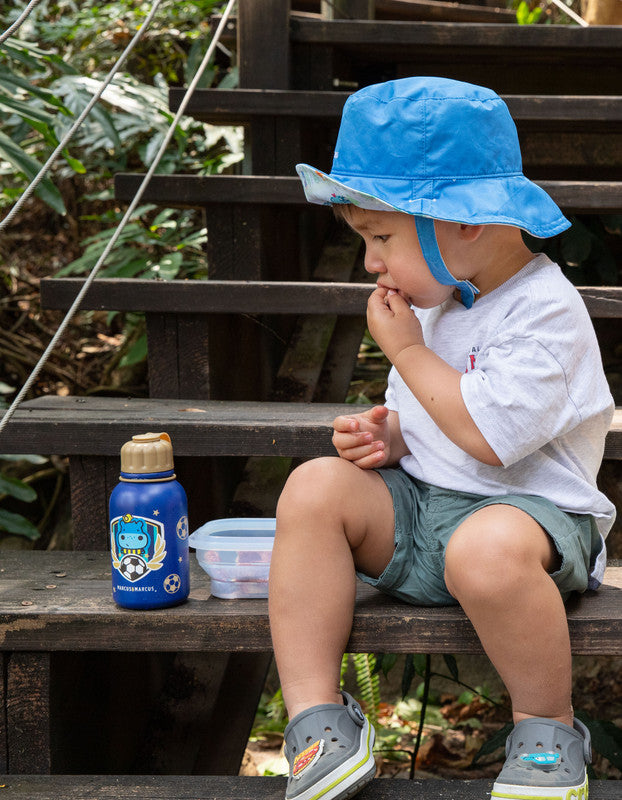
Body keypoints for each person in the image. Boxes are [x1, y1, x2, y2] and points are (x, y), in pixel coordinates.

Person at [268, 76, 614, 800]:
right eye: (365, 241)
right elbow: (430, 418)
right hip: (427, 511)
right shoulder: (438, 299)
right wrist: (385, 439)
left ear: (464, 221)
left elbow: (489, 437)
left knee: (483, 549)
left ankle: (547, 730)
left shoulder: (545, 311)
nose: (371, 263)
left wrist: (405, 352)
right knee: (312, 486)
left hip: (532, 522)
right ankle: (316, 719)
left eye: (382, 237)